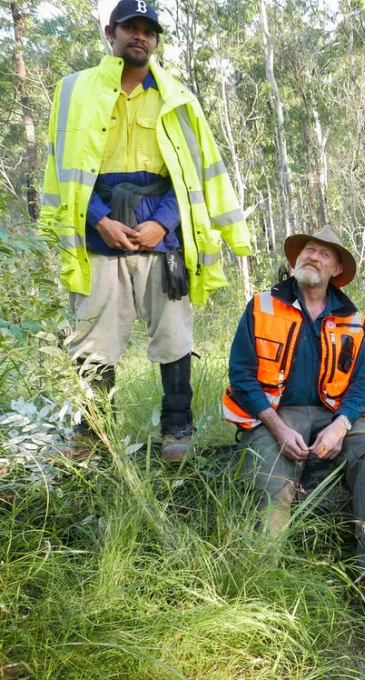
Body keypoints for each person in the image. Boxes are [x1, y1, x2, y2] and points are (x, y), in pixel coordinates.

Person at [41, 0, 250, 461]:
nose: (140, 36)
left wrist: (163, 223)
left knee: (174, 336)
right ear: (110, 34)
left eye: (148, 30)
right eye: (130, 28)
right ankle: (92, 437)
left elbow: (192, 173)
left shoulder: (178, 96)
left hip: (163, 238)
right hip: (99, 231)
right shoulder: (74, 90)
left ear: (155, 40)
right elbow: (67, 169)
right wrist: (99, 219)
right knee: (94, 342)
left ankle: (178, 431)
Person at [222, 227, 365, 600]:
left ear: (336, 269)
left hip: (333, 414)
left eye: (323, 254)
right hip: (275, 413)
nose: (312, 256)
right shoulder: (262, 305)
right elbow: (241, 375)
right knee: (270, 471)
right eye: (309, 250)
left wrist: (341, 426)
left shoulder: (351, 318)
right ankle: (263, 574)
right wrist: (277, 427)